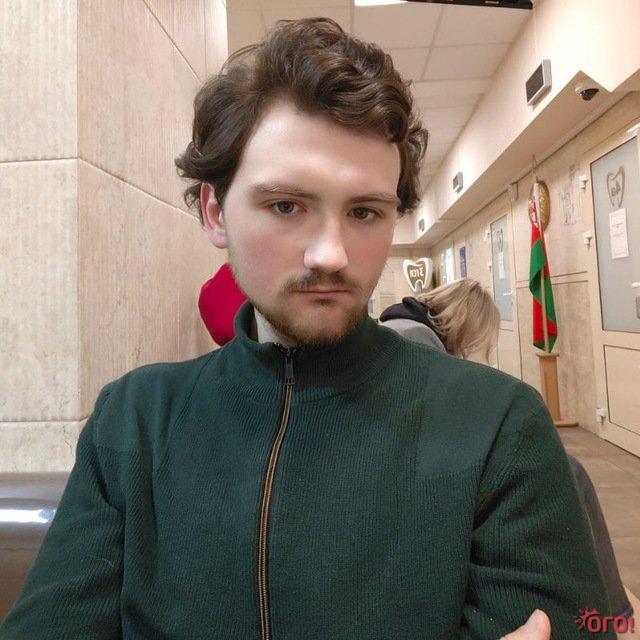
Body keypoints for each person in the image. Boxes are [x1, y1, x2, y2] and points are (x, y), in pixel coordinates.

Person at [0, 18, 613, 640]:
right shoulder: (134, 422)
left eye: (365, 212)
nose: (331, 254)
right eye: (286, 206)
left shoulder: (497, 425)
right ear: (215, 212)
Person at [381, 280, 636, 634]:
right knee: (569, 471)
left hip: (415, 463)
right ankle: (613, 612)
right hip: (411, 472)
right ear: (465, 318)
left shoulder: (405, 328)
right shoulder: (413, 336)